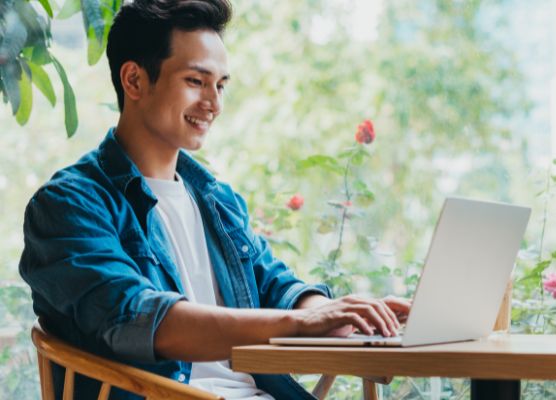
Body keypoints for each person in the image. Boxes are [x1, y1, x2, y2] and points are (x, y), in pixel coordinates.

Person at [18, 1, 410, 399]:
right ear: (134, 81)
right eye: (196, 81)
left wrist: (347, 316)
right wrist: (301, 323)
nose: (214, 104)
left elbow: (277, 288)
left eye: (220, 85)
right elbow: (139, 319)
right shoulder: (70, 206)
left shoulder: (216, 201)